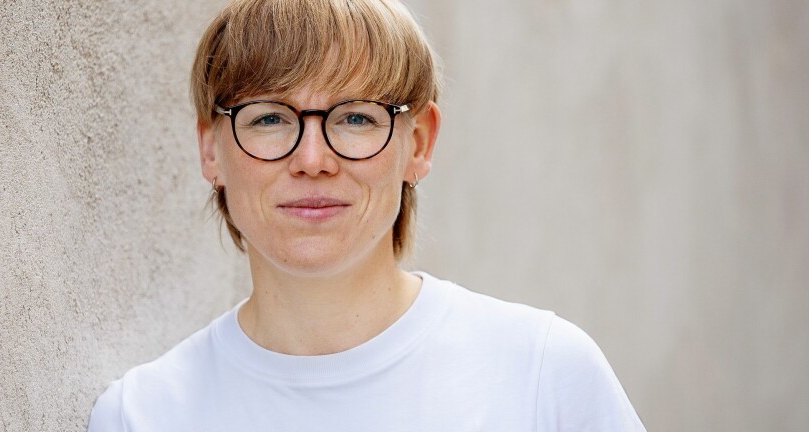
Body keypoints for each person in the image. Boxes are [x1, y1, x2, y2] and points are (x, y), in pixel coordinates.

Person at [88, 0, 646, 430]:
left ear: (419, 143)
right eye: (268, 119)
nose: (312, 160)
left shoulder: (542, 375)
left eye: (355, 118)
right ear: (211, 150)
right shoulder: (142, 415)